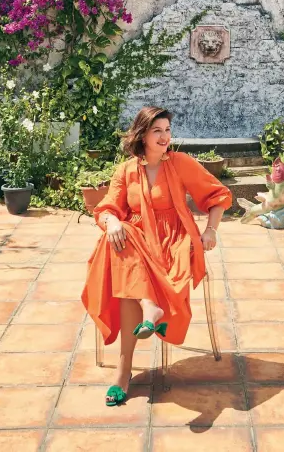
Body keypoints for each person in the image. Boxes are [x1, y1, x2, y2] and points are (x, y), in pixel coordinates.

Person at [81, 106, 232, 406]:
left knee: (125, 265)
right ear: (142, 135)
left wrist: (211, 230)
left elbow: (217, 195)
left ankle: (123, 373)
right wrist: (111, 221)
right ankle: (148, 313)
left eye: (167, 130)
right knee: (120, 238)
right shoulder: (124, 171)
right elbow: (109, 206)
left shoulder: (180, 163)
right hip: (138, 243)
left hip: (174, 242)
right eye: (157, 131)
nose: (165, 137)